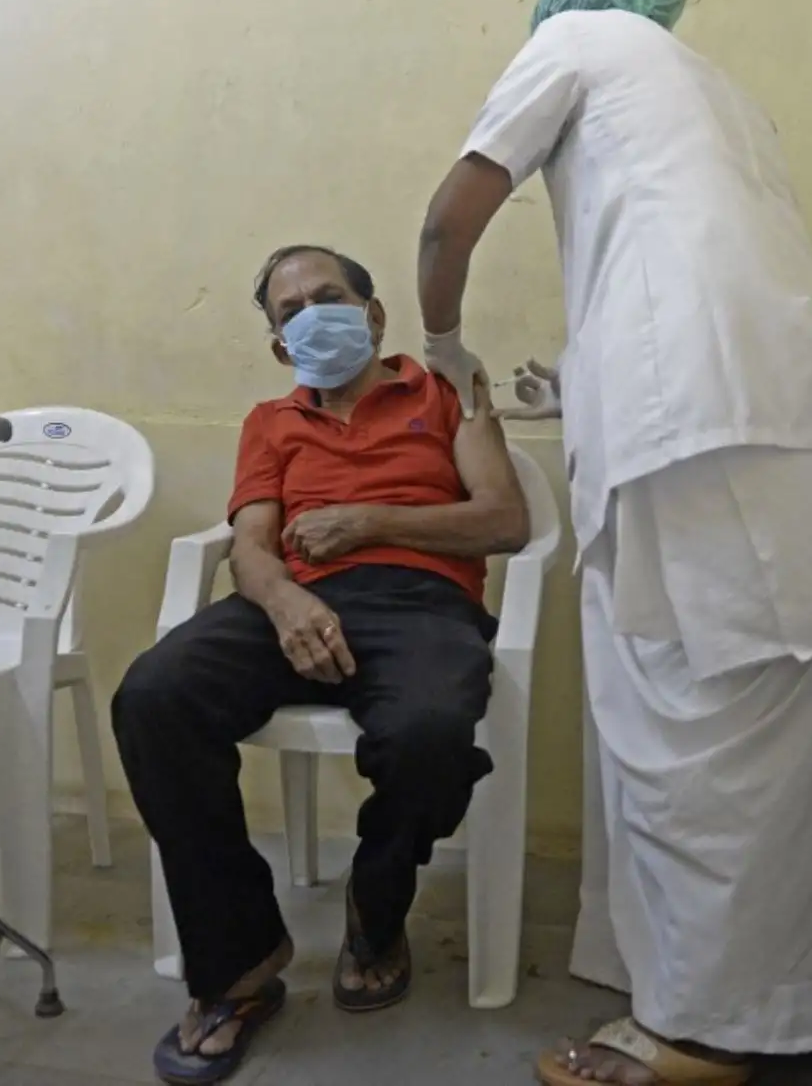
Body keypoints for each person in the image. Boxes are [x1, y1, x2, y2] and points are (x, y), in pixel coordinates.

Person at [417, 0, 812, 1085]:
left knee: (695, 717)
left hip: (702, 416)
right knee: (791, 700)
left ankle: (702, 1034)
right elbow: (686, 250)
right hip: (800, 405)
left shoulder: (578, 41)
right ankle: (806, 988)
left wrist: (442, 341)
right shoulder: (723, 96)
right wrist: (587, 379)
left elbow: (451, 218)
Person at [113, 244, 530, 1085]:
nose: (312, 315)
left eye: (328, 297)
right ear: (278, 345)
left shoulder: (451, 390)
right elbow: (253, 547)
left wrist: (368, 522)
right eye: (290, 311)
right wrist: (288, 603)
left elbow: (504, 520)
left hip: (421, 604)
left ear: (374, 315)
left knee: (430, 733)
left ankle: (377, 902)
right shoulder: (270, 423)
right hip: (291, 603)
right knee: (155, 696)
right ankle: (239, 960)